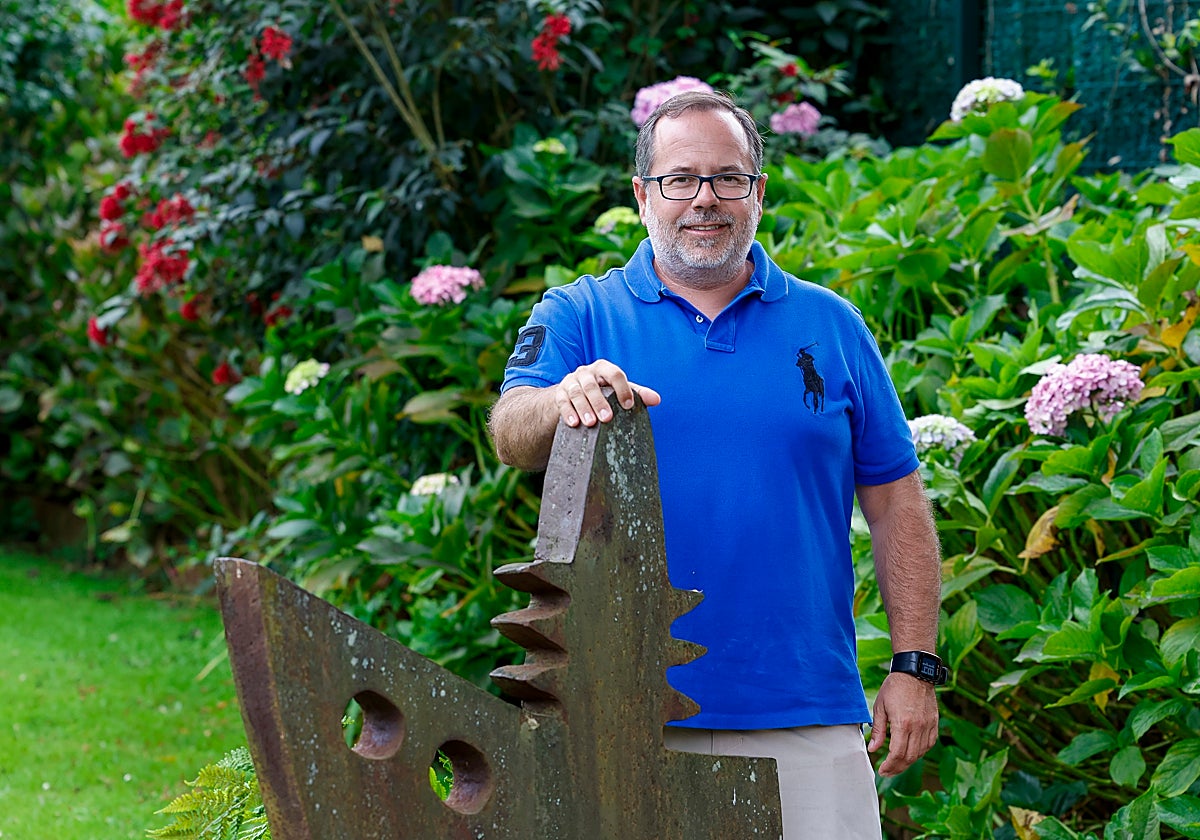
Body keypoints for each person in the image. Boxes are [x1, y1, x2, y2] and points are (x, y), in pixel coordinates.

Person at [488, 89, 943, 839]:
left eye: (729, 178)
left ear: (758, 193)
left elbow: (897, 501)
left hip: (805, 710)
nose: (706, 199)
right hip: (625, 713)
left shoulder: (830, 324)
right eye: (681, 179)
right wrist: (563, 398)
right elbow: (512, 430)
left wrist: (914, 664)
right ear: (643, 195)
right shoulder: (579, 315)